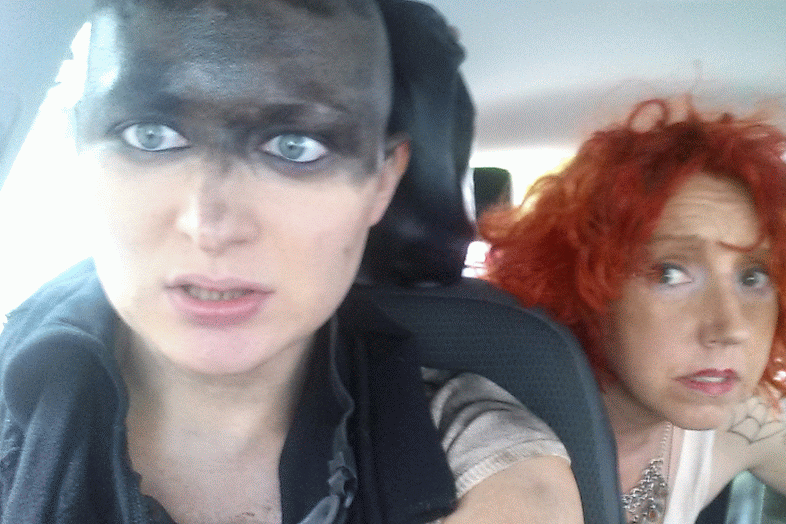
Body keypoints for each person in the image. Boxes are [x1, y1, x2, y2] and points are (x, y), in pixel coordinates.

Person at [0, 0, 584, 523]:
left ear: (382, 182)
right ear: (78, 151)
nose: (213, 226)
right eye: (149, 136)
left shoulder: (479, 453)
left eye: (296, 147)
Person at [480, 97, 786, 524]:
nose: (730, 327)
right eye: (669, 273)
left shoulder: (742, 420)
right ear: (586, 285)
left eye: (754, 277)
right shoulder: (487, 432)